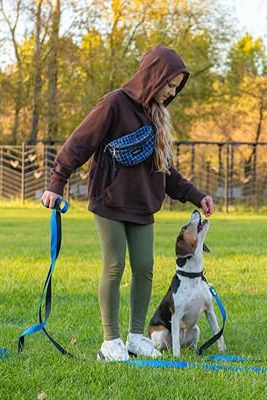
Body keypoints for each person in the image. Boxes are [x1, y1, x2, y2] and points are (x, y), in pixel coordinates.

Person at [40, 46, 213, 362]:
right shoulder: (115, 104)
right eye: (170, 85)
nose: (173, 92)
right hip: (109, 201)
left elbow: (167, 173)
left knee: (145, 268)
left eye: (177, 87)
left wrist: (197, 196)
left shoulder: (156, 116)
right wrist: (56, 183)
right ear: (154, 76)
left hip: (142, 206)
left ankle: (135, 337)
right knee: (115, 265)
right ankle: (111, 341)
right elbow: (79, 143)